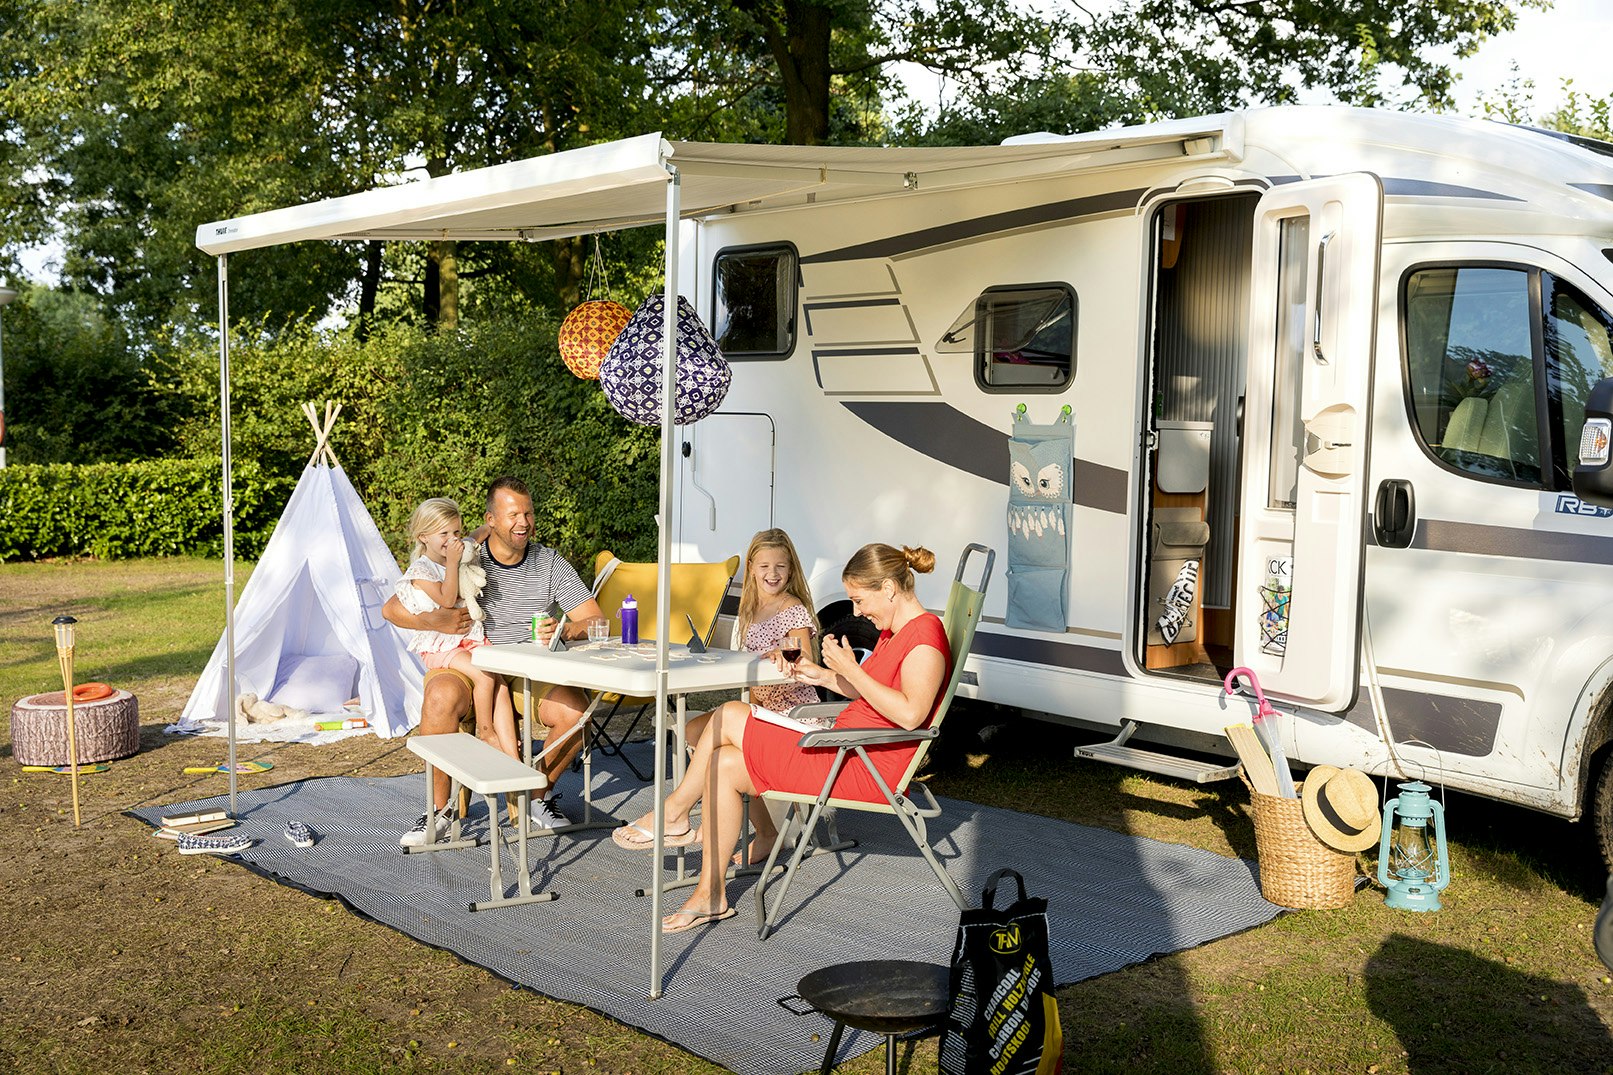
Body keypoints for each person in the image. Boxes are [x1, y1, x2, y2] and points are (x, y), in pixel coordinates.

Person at [616, 542, 952, 934]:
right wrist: (824, 675)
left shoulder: (925, 637)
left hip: (859, 765)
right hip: (846, 748)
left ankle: (673, 813)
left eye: (860, 600)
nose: (857, 612)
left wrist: (851, 669)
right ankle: (711, 894)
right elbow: (876, 695)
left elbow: (911, 715)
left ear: (889, 590)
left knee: (727, 715)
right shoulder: (897, 631)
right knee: (722, 763)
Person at [382, 476, 606, 845]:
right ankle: (439, 810)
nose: (523, 522)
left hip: (529, 669)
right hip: (469, 660)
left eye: (528, 513)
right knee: (439, 697)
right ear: (490, 520)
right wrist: (430, 620)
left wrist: (565, 631)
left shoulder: (549, 562)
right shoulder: (464, 556)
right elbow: (391, 608)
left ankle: (535, 797)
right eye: (513, 514)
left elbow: (595, 618)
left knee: (576, 713)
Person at [610, 528, 819, 861]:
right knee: (695, 731)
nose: (772, 574)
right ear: (751, 568)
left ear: (791, 570)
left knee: (715, 737)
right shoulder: (753, 608)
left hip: (790, 711)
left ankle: (685, 814)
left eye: (780, 567)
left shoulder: (791, 607)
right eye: (764, 566)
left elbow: (803, 653)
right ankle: (756, 829)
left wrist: (786, 650)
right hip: (759, 704)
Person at [394, 498, 519, 761]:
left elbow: (477, 536)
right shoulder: (422, 570)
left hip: (466, 639)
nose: (453, 540)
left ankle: (512, 757)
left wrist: (490, 526)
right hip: (440, 645)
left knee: (501, 685)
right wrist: (452, 562)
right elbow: (447, 599)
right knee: (484, 676)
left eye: (456, 532)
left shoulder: (459, 549)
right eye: (444, 534)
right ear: (423, 537)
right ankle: (486, 732)